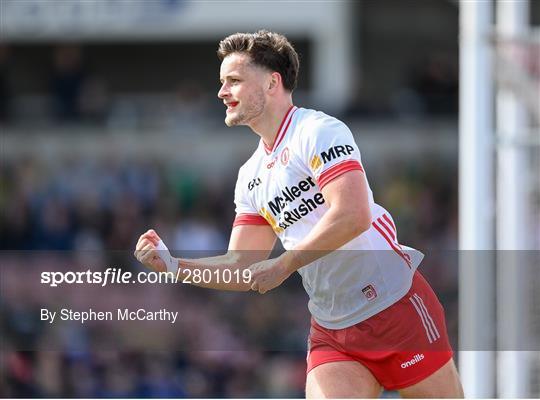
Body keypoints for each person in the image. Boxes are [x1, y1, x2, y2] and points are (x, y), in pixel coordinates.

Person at [135, 30, 463, 398]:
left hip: (394, 308)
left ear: (272, 82)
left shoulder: (318, 131)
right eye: (222, 82)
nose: (222, 92)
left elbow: (353, 215)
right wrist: (175, 265)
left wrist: (285, 264)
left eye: (234, 81)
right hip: (332, 330)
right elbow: (243, 265)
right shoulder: (250, 176)